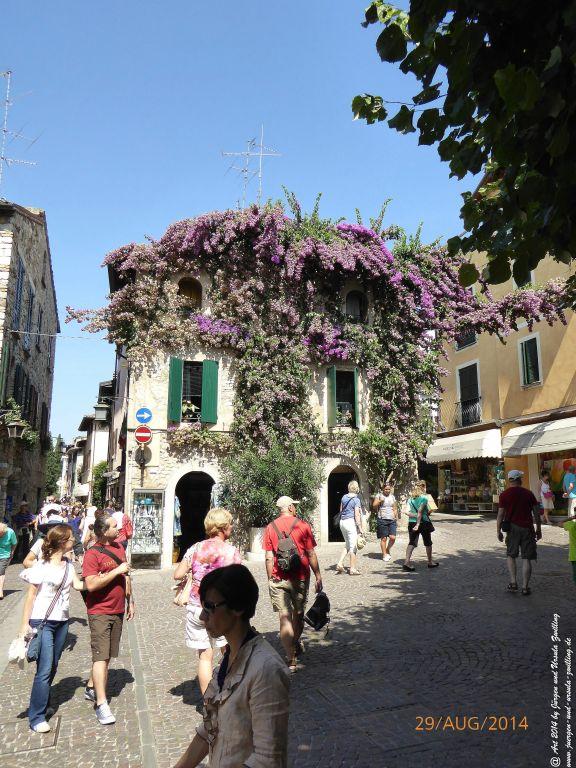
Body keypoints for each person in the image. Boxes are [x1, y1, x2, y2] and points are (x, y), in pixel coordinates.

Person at [174, 564, 290, 768]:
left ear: (237, 608)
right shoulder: (229, 659)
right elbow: (209, 729)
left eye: (210, 607)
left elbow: (267, 760)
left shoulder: (266, 669)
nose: (202, 617)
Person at [17, 524, 84, 733]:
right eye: (72, 539)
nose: (74, 542)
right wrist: (24, 626)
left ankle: (43, 705)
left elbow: (80, 586)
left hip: (62, 621)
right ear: (62, 542)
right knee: (44, 669)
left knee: (53, 665)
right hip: (42, 622)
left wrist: (109, 575)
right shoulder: (42, 566)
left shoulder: (69, 566)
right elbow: (31, 596)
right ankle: (36, 716)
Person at [172, 508, 241, 694]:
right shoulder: (231, 552)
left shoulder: (195, 548)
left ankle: (208, 704)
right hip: (221, 611)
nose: (232, 527)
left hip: (197, 608)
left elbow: (177, 574)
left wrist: (192, 575)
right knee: (228, 651)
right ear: (223, 528)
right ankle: (228, 692)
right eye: (230, 524)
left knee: (204, 657)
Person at [82, 513, 134, 725]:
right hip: (100, 611)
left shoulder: (119, 547)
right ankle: (101, 704)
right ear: (103, 531)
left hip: (118, 608)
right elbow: (92, 584)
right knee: (100, 657)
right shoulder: (92, 555)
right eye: (114, 526)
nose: (119, 529)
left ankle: (91, 687)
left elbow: (126, 576)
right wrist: (117, 571)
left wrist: (131, 600)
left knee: (107, 655)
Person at [263, 496, 322, 672]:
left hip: (278, 578)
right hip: (300, 576)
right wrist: (318, 575)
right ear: (289, 507)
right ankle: (294, 644)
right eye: (294, 506)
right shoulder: (303, 525)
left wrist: (270, 578)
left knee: (284, 617)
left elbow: (268, 557)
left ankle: (291, 659)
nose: (295, 508)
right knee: (298, 614)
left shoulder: (270, 527)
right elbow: (311, 553)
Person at [497, 469, 542, 595]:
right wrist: (538, 529)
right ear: (519, 479)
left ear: (510, 480)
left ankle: (513, 583)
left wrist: (498, 531)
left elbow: (500, 515)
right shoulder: (528, 494)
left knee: (511, 555)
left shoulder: (504, 495)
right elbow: (537, 513)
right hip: (527, 528)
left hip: (511, 528)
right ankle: (525, 587)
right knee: (526, 558)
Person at [403, 481, 439, 572]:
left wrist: (415, 517)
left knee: (412, 542)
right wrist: (418, 523)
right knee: (428, 542)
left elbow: (406, 512)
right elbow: (420, 512)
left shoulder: (410, 499)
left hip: (412, 523)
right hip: (423, 523)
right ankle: (430, 562)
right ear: (423, 487)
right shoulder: (424, 498)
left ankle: (406, 562)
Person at [335, 480, 363, 575]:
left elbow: (341, 510)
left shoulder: (344, 497)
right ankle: (352, 568)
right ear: (357, 488)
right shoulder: (356, 500)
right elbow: (357, 515)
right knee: (353, 546)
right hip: (350, 523)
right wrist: (360, 527)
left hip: (342, 522)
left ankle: (340, 563)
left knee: (347, 544)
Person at [372, 483, 399, 561]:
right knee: (383, 538)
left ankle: (387, 549)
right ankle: (384, 555)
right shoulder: (379, 496)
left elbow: (395, 508)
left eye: (389, 489)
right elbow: (374, 505)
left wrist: (395, 517)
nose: (387, 490)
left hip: (392, 519)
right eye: (386, 489)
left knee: (393, 538)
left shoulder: (392, 497)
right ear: (383, 489)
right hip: (382, 519)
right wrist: (380, 500)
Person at [0, 522, 17, 598]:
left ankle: (0, 590)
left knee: (1, 571)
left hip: (5, 555)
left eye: (1, 534)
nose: (0, 536)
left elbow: (14, 543)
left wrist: (12, 552)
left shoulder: (10, 532)